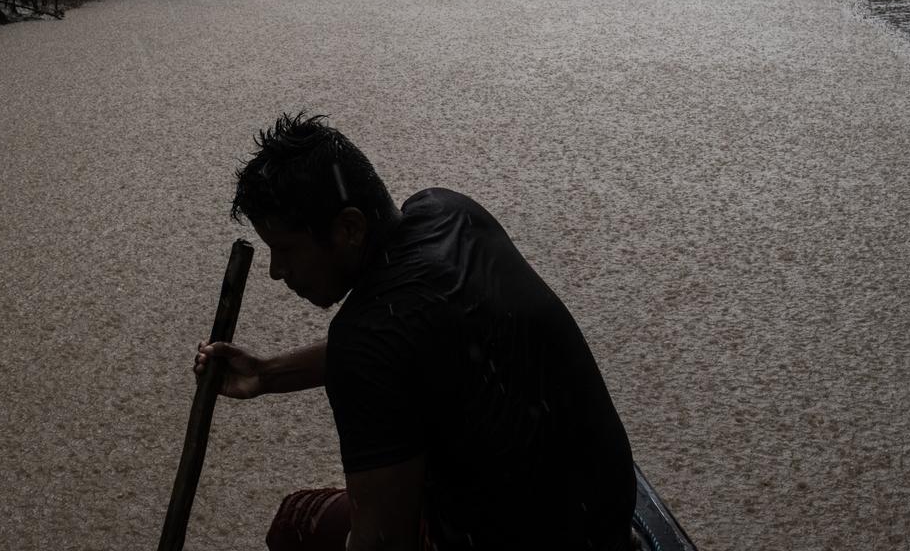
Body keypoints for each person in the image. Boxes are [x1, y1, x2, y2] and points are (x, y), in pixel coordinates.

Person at [195, 112, 636, 551]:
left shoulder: (368, 342)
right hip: (603, 518)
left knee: (293, 523)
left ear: (349, 228)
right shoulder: (447, 211)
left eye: (286, 250)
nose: (276, 272)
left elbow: (384, 544)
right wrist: (268, 374)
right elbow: (407, 339)